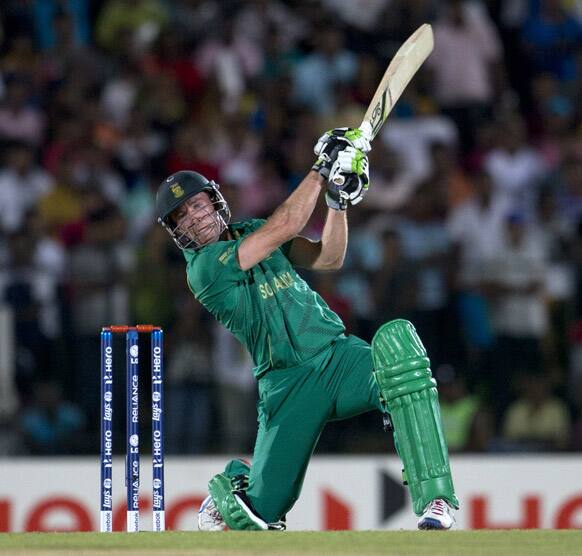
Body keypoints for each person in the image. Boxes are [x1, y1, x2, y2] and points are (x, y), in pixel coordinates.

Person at [155, 127, 459, 531]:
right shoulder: (204, 270)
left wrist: (337, 201)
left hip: (337, 357)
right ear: (177, 230)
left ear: (213, 201)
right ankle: (233, 484)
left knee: (400, 353)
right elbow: (286, 225)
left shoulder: (252, 230)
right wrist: (321, 169)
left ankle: (436, 501)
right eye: (182, 216)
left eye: (196, 204)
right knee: (258, 514)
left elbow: (328, 258)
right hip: (286, 385)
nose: (194, 217)